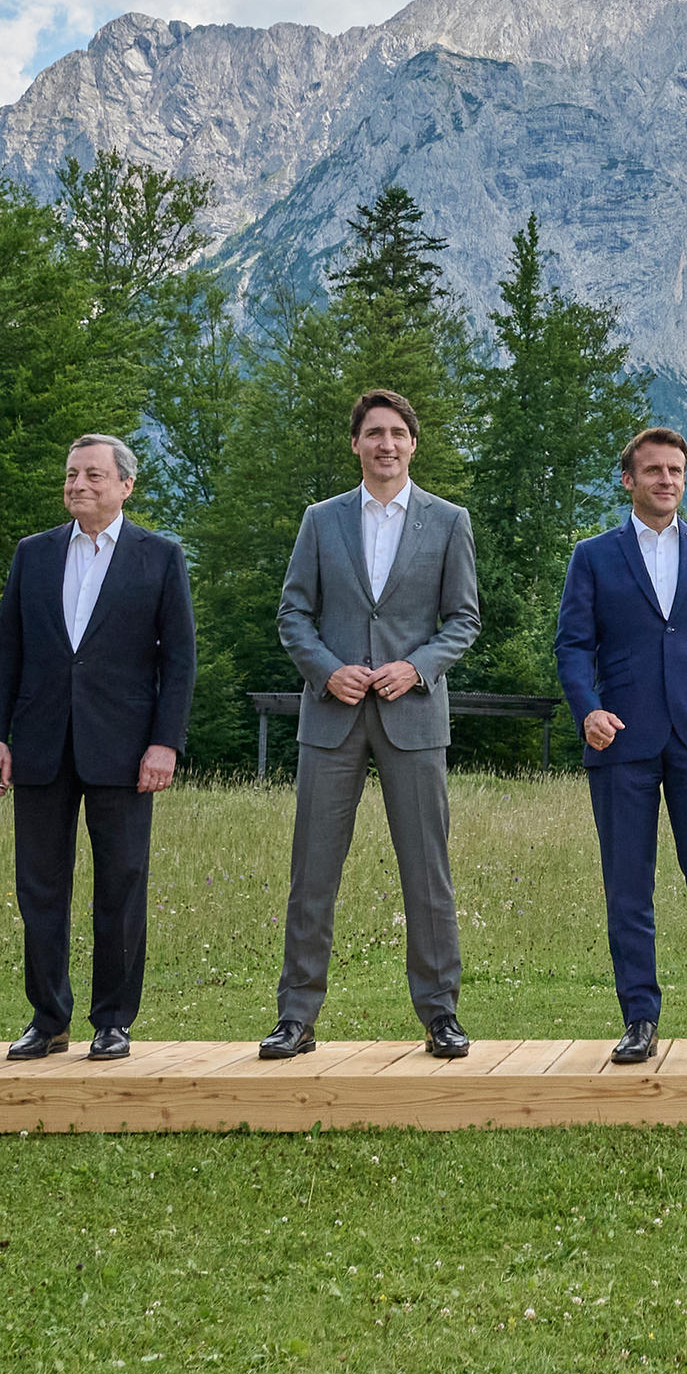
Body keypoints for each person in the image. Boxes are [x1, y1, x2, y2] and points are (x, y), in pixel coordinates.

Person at [265, 388, 483, 1059]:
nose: (386, 444)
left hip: (413, 717)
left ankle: (440, 1014)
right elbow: (293, 614)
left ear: (413, 444)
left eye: (397, 433)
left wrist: (416, 667)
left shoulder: (448, 521)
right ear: (355, 443)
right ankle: (296, 1018)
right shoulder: (321, 520)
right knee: (313, 873)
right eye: (374, 433)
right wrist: (327, 669)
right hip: (331, 718)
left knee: (427, 872)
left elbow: (465, 620)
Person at [0, 435, 199, 1063]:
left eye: (94, 476)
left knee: (121, 885)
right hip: (41, 745)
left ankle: (113, 1021)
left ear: (126, 486)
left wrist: (164, 744)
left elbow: (179, 663)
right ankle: (48, 1018)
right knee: (40, 887)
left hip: (126, 750)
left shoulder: (159, 557)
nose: (79, 485)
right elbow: (7, 654)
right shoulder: (34, 555)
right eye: (72, 474)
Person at [554, 425, 687, 1065]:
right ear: (629, 480)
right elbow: (572, 647)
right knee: (627, 887)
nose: (665, 480)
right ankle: (639, 1019)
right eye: (653, 471)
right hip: (621, 739)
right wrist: (588, 711)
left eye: (675, 471)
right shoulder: (594, 555)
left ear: (684, 478)